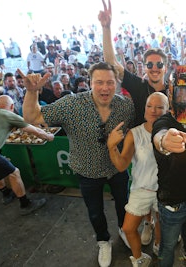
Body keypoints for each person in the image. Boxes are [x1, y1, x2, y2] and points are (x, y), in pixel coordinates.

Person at [21, 62, 135, 267]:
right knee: (95, 211)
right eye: (99, 82)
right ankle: (103, 241)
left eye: (110, 82)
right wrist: (31, 92)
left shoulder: (126, 106)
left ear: (116, 84)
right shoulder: (71, 104)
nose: (105, 88)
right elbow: (32, 117)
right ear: (90, 82)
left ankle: (123, 230)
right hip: (87, 170)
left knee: (123, 203)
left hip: (117, 168)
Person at [151, 65, 186, 267]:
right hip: (173, 204)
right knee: (167, 247)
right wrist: (164, 142)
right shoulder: (164, 122)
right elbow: (160, 135)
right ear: (171, 92)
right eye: (181, 91)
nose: (185, 97)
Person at [107, 92, 168, 266]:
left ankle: (158, 245)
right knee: (128, 228)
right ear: (144, 110)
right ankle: (139, 258)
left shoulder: (172, 132)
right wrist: (112, 147)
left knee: (161, 223)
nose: (153, 110)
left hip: (164, 190)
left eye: (159, 107)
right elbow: (121, 165)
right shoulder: (134, 133)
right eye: (149, 106)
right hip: (141, 189)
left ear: (167, 110)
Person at [99, 0, 168, 126]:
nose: (154, 68)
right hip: (139, 142)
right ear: (145, 68)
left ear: (165, 68)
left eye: (159, 65)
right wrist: (106, 28)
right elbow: (111, 62)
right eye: (149, 65)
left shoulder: (173, 91)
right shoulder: (138, 86)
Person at [0, 95, 53, 215]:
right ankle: (25, 204)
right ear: (12, 106)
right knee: (14, 173)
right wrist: (49, 136)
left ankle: (6, 194)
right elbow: (35, 131)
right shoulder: (8, 114)